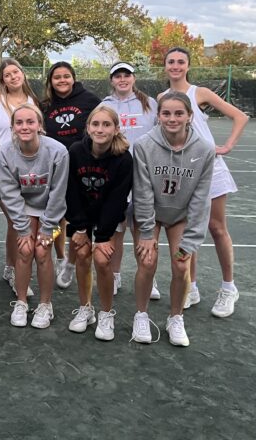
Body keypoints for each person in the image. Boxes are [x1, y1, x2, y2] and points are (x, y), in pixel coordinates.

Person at [163, 47, 249, 317]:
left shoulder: (199, 93)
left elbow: (240, 116)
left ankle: (228, 288)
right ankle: (193, 286)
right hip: (182, 172)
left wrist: (227, 146)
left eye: (181, 62)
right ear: (164, 66)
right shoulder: (162, 98)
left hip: (210, 168)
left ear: (188, 66)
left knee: (216, 228)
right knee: (188, 231)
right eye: (171, 62)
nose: (176, 66)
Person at [132, 92, 215, 347]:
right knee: (147, 262)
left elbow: (201, 200)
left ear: (190, 116)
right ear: (158, 116)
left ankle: (176, 317)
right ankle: (141, 314)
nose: (172, 118)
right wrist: (147, 233)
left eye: (179, 113)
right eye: (166, 113)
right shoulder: (144, 145)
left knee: (182, 265)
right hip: (152, 214)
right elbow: (142, 192)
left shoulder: (204, 150)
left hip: (180, 216)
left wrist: (190, 242)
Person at [0, 103, 69, 329]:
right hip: (25, 207)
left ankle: (45, 304)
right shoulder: (4, 152)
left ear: (40, 125)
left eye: (30, 122)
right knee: (26, 249)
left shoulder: (58, 151)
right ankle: (21, 301)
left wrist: (47, 228)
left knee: (42, 250)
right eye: (19, 122)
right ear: (12, 127)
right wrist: (23, 228)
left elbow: (58, 194)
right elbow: (9, 193)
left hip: (50, 207)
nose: (25, 126)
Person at [65, 105, 133, 341]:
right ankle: (85, 308)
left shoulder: (123, 159)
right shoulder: (75, 151)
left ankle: (106, 313)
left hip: (109, 217)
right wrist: (81, 228)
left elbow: (116, 200)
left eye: (106, 124)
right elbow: (71, 192)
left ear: (116, 129)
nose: (100, 129)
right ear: (88, 127)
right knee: (82, 253)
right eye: (96, 124)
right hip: (82, 214)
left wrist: (103, 237)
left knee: (103, 260)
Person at [101, 61, 160, 299]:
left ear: (133, 78)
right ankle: (114, 276)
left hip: (145, 175)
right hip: (116, 175)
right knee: (116, 229)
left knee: (143, 229)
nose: (122, 79)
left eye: (126, 75)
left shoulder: (150, 103)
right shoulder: (105, 105)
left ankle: (149, 277)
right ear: (112, 80)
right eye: (117, 76)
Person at [41, 61, 101, 289]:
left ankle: (71, 262)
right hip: (55, 166)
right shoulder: (46, 105)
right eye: (57, 77)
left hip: (83, 166)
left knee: (79, 218)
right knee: (56, 215)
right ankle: (61, 257)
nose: (62, 80)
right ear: (51, 81)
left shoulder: (90, 100)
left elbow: (103, 126)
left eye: (66, 76)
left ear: (73, 78)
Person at [0, 58, 39, 298]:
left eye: (16, 71)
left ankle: (12, 269)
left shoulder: (33, 101)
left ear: (23, 74)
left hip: (27, 169)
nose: (12, 76)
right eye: (7, 74)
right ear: (2, 79)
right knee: (16, 219)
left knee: (20, 221)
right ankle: (13, 269)